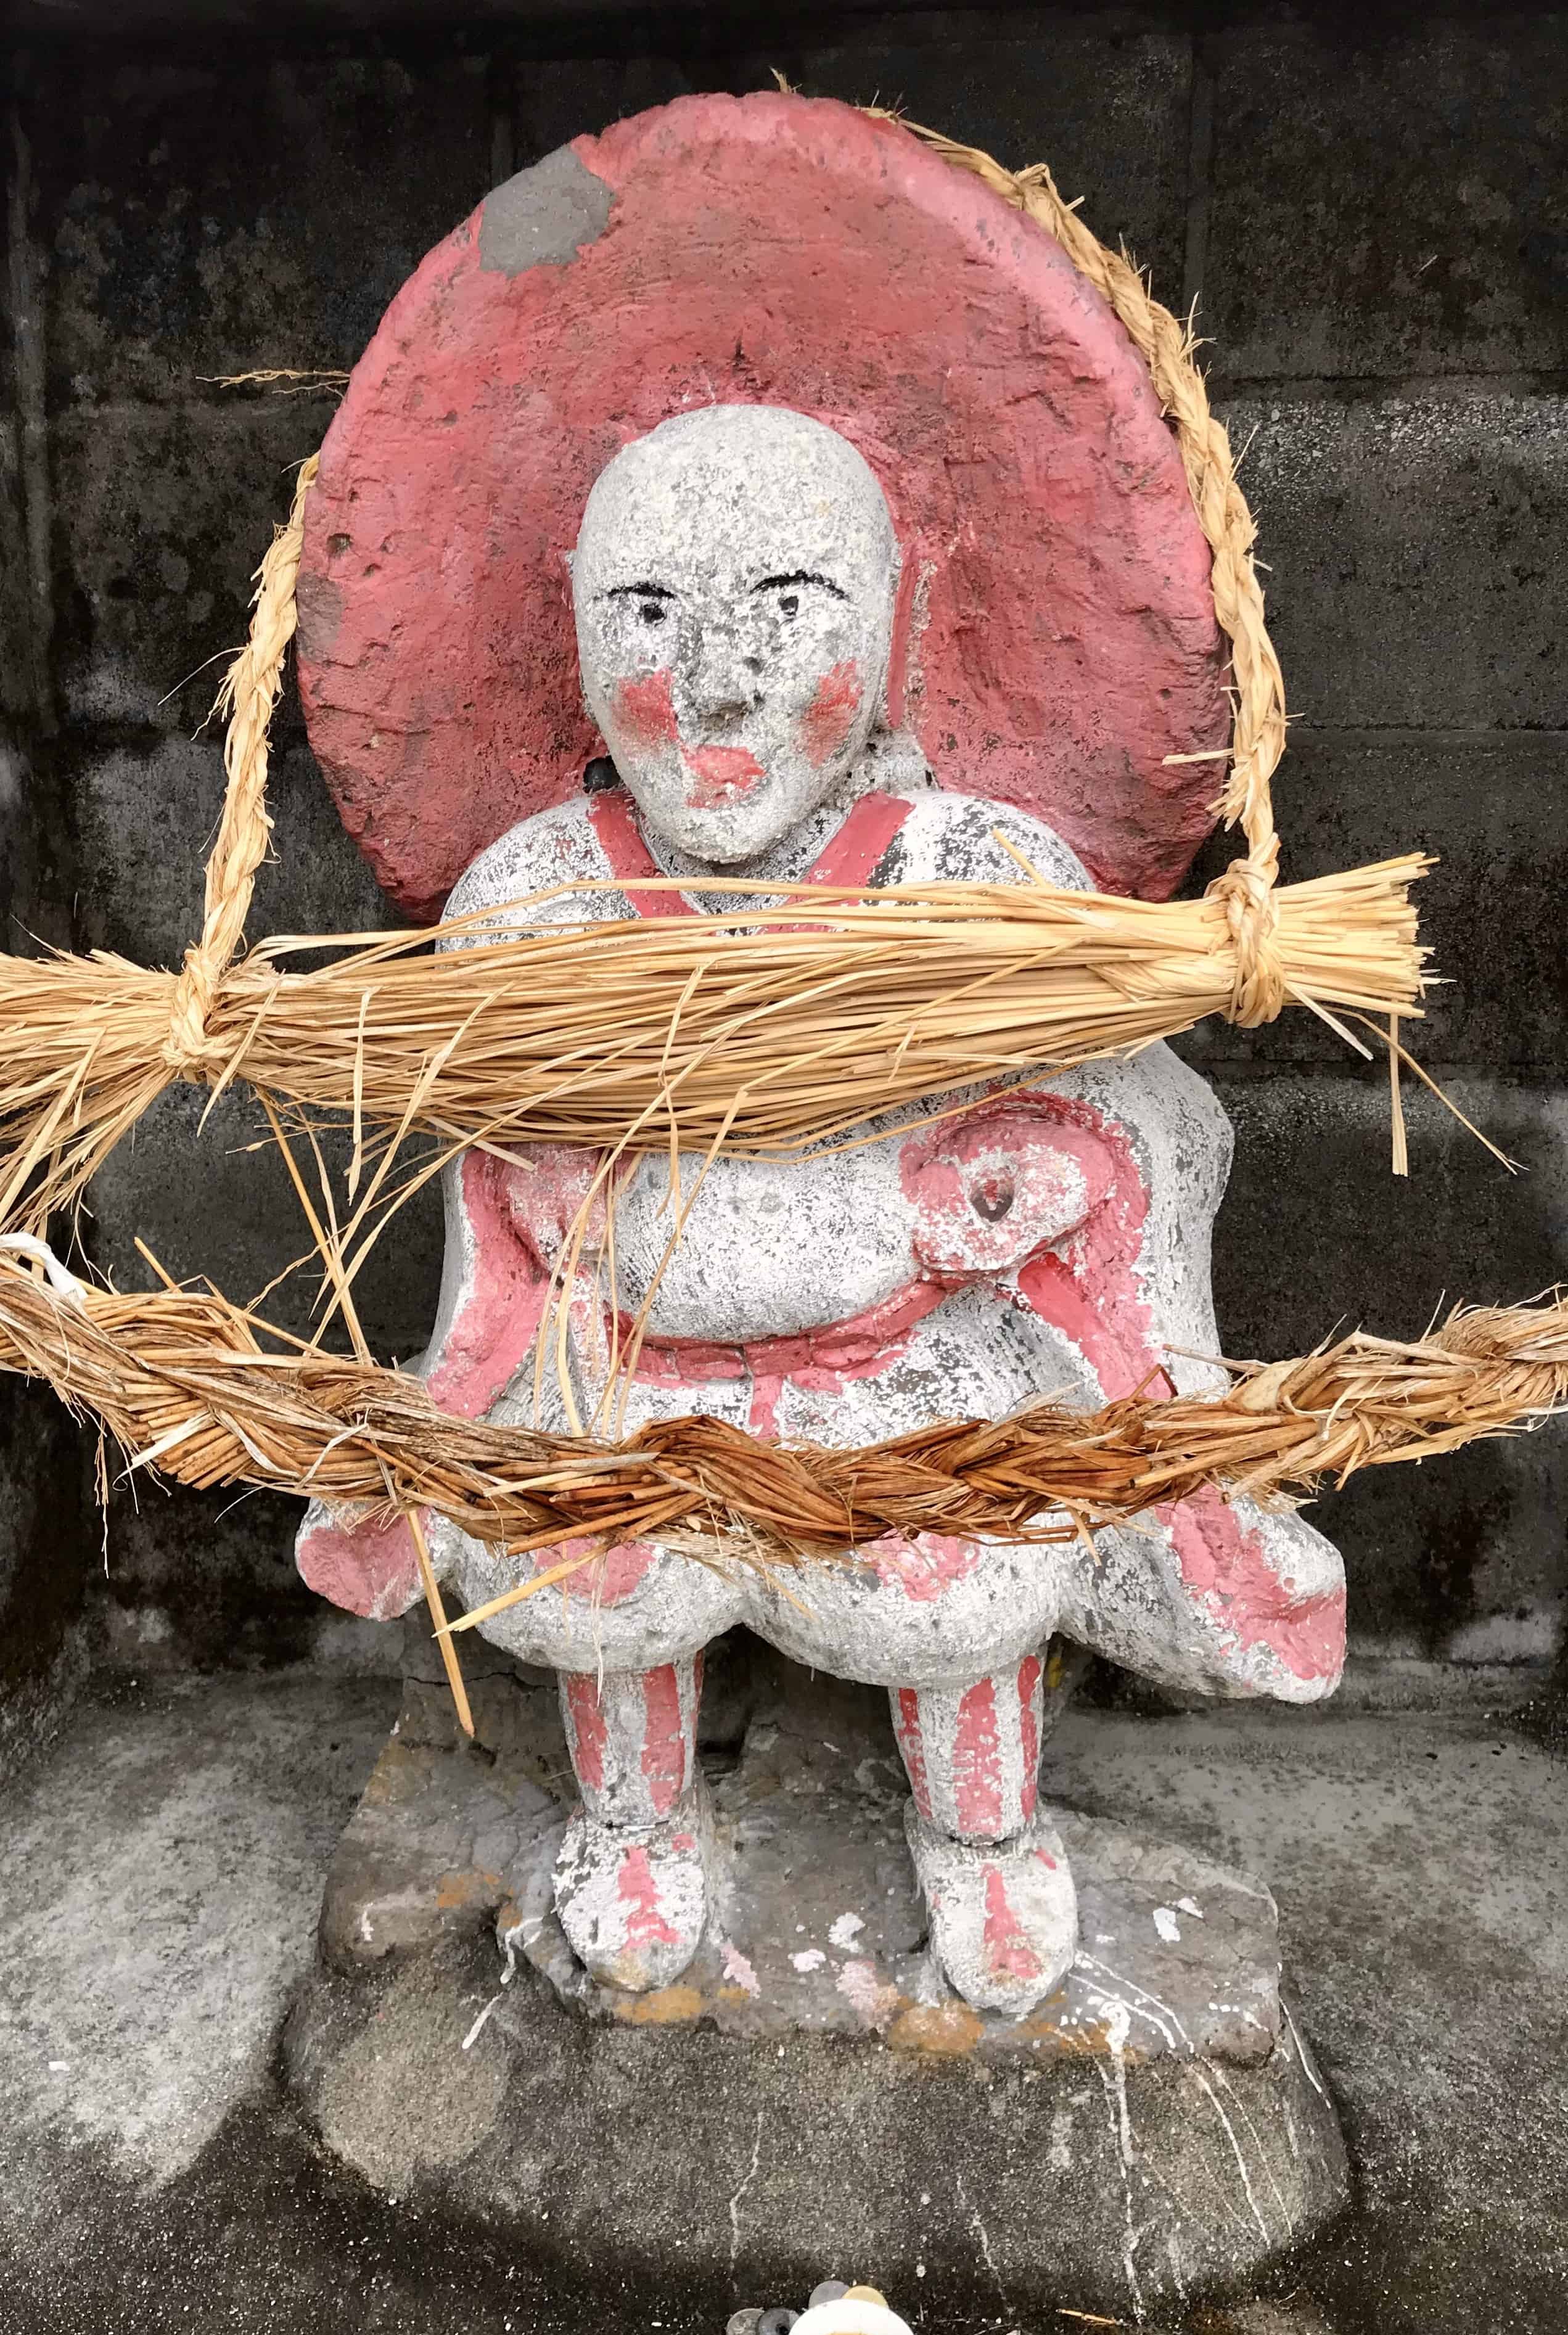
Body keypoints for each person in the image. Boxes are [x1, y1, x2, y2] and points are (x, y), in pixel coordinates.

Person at [298, 404, 1345, 2016]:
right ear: (577, 626)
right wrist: (548, 1177)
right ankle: (637, 1811)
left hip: (900, 1362)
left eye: (790, 610)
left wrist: (1045, 1176)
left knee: (972, 1556)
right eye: (647, 617)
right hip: (634, 1366)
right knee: (587, 1564)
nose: (715, 679)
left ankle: (983, 1817)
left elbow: (1135, 1111)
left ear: (900, 613)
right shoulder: (536, 899)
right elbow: (492, 1180)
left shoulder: (975, 871)